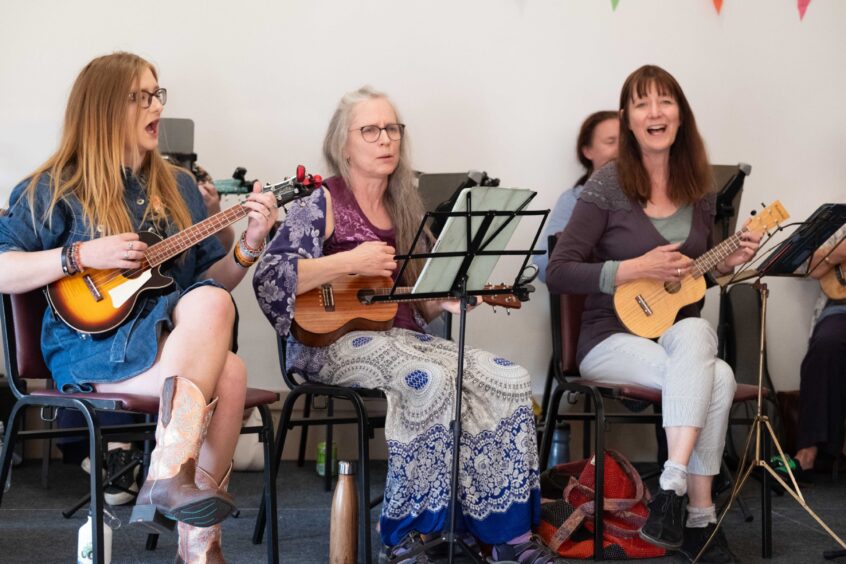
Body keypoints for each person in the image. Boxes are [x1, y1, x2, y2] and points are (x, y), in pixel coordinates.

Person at [253, 86, 565, 563]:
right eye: (371, 130)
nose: (386, 139)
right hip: (332, 344)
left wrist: (451, 300)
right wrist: (347, 262)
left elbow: (420, 306)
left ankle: (505, 535)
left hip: (404, 338)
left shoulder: (407, 209)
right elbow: (270, 278)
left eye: (392, 129)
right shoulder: (322, 202)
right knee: (434, 380)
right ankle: (409, 536)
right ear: (344, 145)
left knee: (509, 377)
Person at [0, 52, 278, 562]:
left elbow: (204, 283)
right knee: (229, 367)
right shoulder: (51, 189)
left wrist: (250, 246)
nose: (156, 106)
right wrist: (80, 255)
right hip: (92, 353)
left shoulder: (178, 189)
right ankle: (186, 523)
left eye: (158, 93)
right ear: (106, 108)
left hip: (160, 347)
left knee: (227, 351)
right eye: (142, 96)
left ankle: (181, 505)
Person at [547, 65, 761, 563]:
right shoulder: (607, 186)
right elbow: (558, 272)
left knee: (695, 332)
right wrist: (629, 268)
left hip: (673, 337)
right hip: (606, 340)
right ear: (628, 119)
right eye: (642, 104)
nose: (655, 112)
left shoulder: (700, 190)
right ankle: (697, 519)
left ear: (680, 115)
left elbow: (687, 282)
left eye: (665, 101)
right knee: (718, 378)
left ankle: (671, 489)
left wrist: (724, 263)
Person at [773, 223, 846, 481]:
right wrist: (838, 252)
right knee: (826, 346)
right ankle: (808, 453)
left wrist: (833, 255)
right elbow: (806, 264)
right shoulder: (840, 223)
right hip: (839, 309)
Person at [535, 111, 619, 283]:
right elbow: (544, 266)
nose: (621, 150)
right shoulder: (573, 200)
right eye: (611, 142)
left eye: (628, 143)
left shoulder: (657, 195)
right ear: (587, 151)